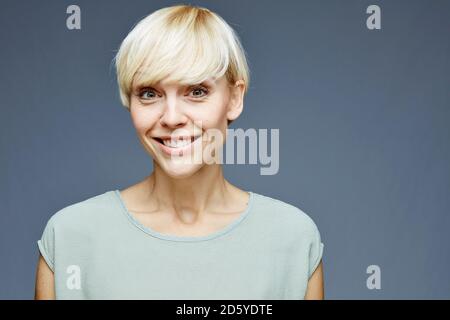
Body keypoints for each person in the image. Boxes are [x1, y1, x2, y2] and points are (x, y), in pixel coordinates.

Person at [34, 4, 324, 300]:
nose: (172, 118)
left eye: (196, 91)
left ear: (235, 98)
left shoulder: (293, 238)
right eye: (149, 93)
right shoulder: (70, 236)